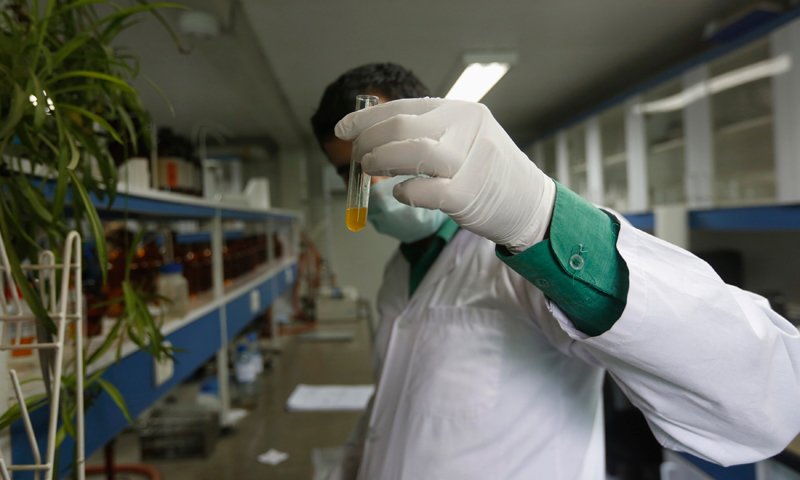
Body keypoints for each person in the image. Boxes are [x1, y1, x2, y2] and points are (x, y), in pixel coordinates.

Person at [310, 62, 800, 480]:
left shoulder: (524, 252)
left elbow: (762, 405)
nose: (367, 183)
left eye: (377, 155)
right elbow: (393, 405)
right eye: (349, 172)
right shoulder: (399, 272)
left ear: (426, 135)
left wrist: (540, 218)